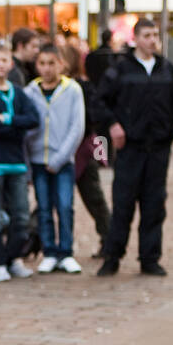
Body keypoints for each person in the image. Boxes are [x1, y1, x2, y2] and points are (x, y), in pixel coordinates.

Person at [96, 18, 173, 277]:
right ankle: (112, 256)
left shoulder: (166, 69)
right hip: (130, 147)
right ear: (136, 38)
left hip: (158, 148)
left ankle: (150, 258)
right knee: (123, 203)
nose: (152, 40)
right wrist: (113, 125)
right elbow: (99, 102)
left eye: (155, 35)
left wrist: (172, 127)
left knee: (155, 204)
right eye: (147, 35)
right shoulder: (120, 69)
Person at [0, 39, 40, 282]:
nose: (1, 65)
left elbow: (33, 119)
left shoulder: (18, 92)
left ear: (11, 64)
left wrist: (9, 120)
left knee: (20, 215)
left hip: (16, 161)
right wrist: (12, 123)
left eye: (5, 60)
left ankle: (14, 258)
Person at [25, 43, 86, 274]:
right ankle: (49, 251)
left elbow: (76, 127)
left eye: (52, 63)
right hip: (39, 158)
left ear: (61, 64)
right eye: (42, 63)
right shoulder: (31, 91)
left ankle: (66, 251)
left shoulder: (72, 90)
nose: (47, 68)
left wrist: (61, 157)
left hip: (63, 160)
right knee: (43, 207)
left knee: (64, 205)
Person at [62, 43, 112, 259]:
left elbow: (93, 119)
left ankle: (110, 239)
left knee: (94, 197)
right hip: (60, 150)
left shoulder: (83, 86)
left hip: (82, 149)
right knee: (57, 201)